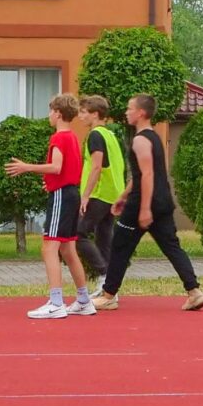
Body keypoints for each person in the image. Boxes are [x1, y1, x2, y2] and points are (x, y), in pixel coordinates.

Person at [97, 92, 203, 311]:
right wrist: (123, 196)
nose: (126, 112)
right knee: (172, 247)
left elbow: (148, 175)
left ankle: (108, 295)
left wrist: (145, 208)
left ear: (141, 113)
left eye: (130, 108)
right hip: (162, 201)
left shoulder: (140, 140)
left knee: (120, 245)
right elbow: (145, 173)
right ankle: (194, 292)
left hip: (143, 203)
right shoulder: (155, 138)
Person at [6, 94, 94, 320]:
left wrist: (26, 167)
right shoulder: (73, 137)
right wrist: (54, 182)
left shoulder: (59, 138)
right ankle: (84, 300)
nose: (49, 115)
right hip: (71, 193)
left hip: (62, 196)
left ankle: (56, 303)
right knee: (68, 249)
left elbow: (56, 167)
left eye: (51, 111)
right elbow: (66, 170)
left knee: (49, 247)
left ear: (57, 113)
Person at [75, 95, 124, 285]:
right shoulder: (110, 135)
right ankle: (110, 285)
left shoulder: (95, 135)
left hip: (99, 193)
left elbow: (96, 167)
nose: (80, 116)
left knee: (79, 233)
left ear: (95, 114)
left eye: (83, 112)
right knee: (104, 238)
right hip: (113, 193)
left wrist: (85, 195)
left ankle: (104, 274)